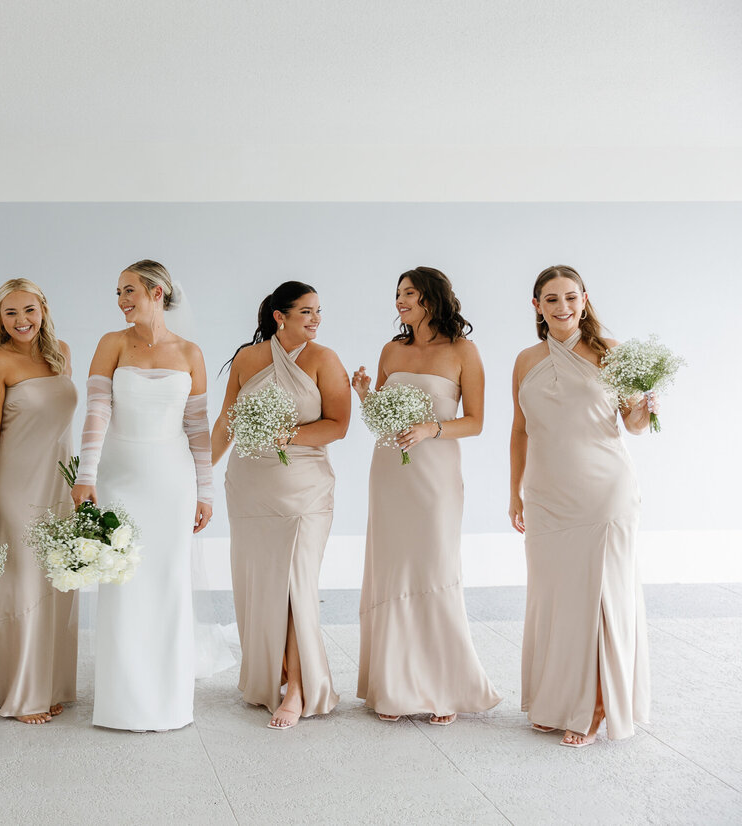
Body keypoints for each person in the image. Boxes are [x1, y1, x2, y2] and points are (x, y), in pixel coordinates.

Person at [510, 265, 653, 747]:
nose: (563, 307)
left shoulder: (611, 353)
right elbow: (520, 431)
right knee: (555, 598)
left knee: (597, 597)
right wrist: (516, 491)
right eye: (551, 299)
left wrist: (642, 409)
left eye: (571, 297)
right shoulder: (526, 359)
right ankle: (556, 697)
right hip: (548, 495)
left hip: (603, 491)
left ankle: (594, 705)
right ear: (537, 306)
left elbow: (632, 425)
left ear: (585, 299)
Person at [351, 267, 500, 725]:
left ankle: (443, 687)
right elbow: (381, 419)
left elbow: (475, 421)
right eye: (397, 294)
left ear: (431, 298)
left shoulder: (462, 351)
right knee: (393, 568)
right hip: (389, 475)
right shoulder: (390, 350)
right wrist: (364, 396)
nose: (400, 301)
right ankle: (393, 687)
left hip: (434, 477)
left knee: (433, 566)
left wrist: (431, 428)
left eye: (409, 293)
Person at [70, 260, 213, 731]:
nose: (121, 301)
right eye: (117, 293)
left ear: (157, 292)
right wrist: (85, 476)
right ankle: (121, 703)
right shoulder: (111, 344)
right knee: (123, 583)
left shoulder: (191, 353)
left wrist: (205, 491)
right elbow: (96, 411)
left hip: (172, 480)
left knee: (168, 582)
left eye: (128, 290)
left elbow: (197, 429)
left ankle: (171, 703)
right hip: (120, 476)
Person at [211, 281, 350, 730]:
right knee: (263, 584)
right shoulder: (247, 359)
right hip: (251, 486)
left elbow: (338, 425)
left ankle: (298, 688)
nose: (315, 319)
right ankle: (279, 675)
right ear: (279, 316)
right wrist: (195, 476)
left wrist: (286, 436)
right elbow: (226, 423)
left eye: (318, 311)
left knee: (295, 582)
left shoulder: (325, 359)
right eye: (306, 311)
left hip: (305, 487)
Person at [0, 278, 79, 724]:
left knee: (55, 579)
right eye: (10, 313)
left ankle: (49, 684)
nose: (21, 321)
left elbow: (64, 423)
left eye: (28, 310)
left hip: (58, 484)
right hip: (13, 486)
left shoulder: (62, 353)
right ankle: (22, 691)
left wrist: (80, 481)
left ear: (43, 310)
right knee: (23, 579)